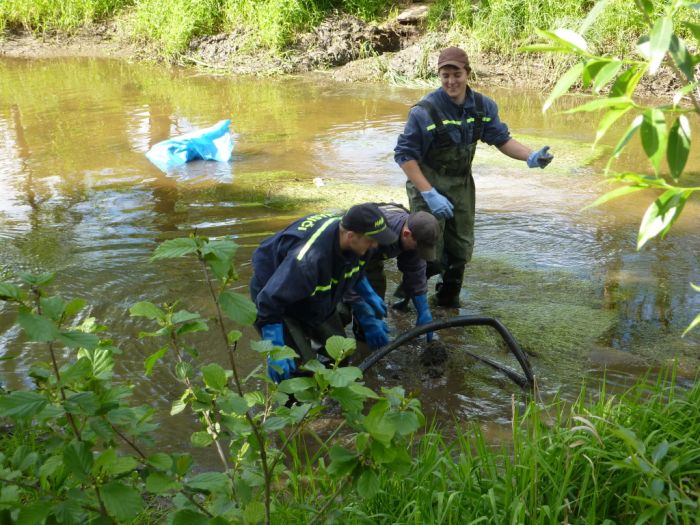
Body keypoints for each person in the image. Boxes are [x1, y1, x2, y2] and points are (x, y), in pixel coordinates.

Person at [394, 46, 554, 308]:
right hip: (428, 183)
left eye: (456, 74)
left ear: (467, 73)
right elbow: (404, 156)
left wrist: (530, 156)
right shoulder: (424, 111)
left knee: (460, 251)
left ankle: (447, 303)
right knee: (429, 251)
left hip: (462, 185)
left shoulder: (482, 106)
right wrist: (428, 193)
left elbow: (501, 139)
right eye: (444, 75)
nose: (451, 81)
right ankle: (404, 296)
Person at [250, 203, 398, 383]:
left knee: (339, 353)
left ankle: (329, 396)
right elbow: (268, 302)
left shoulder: (359, 244)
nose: (376, 244)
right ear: (351, 236)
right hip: (277, 297)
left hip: (315, 292)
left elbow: (354, 270)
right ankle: (291, 406)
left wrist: (365, 300)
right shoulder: (309, 260)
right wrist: (275, 347)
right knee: (295, 369)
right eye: (371, 239)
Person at [347, 203, 441, 346]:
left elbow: (416, 272)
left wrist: (423, 310)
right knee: (346, 307)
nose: (418, 251)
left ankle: (366, 342)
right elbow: (347, 273)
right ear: (406, 234)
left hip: (376, 251)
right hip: (351, 253)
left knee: (376, 302)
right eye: (417, 247)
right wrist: (366, 317)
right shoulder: (373, 234)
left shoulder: (415, 235)